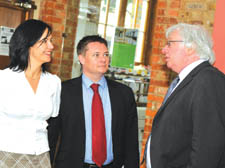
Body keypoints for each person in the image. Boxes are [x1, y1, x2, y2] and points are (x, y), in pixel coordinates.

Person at [48, 35, 140, 168]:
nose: (103, 59)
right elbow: (52, 136)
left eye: (106, 54)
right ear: (81, 58)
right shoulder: (64, 91)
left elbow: (131, 140)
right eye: (96, 55)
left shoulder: (123, 94)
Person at [144, 23, 225, 168]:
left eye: (169, 44)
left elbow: (207, 147)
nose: (163, 50)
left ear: (190, 47)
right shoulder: (187, 80)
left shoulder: (208, 80)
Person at [0, 19, 61, 167]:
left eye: (51, 41)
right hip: (6, 153)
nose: (51, 46)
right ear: (27, 43)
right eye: (45, 41)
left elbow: (53, 116)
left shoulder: (53, 82)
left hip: (40, 155)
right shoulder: (4, 79)